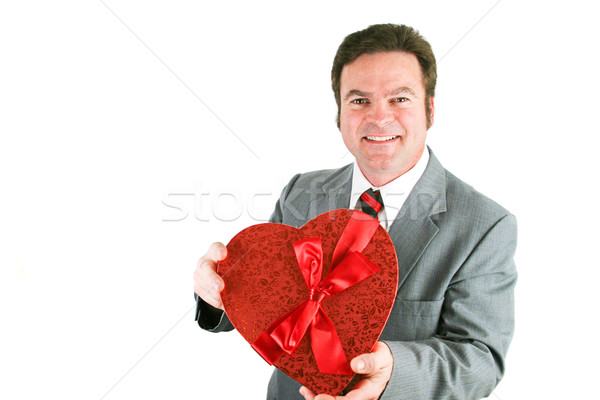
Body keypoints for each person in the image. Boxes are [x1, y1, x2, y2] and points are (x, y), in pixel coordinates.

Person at [193, 23, 517, 400]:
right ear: (340, 113)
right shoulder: (302, 192)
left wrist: (393, 371)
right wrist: (217, 291)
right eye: (359, 100)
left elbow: (480, 361)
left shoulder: (485, 225)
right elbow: (266, 303)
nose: (379, 118)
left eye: (400, 99)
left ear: (429, 108)